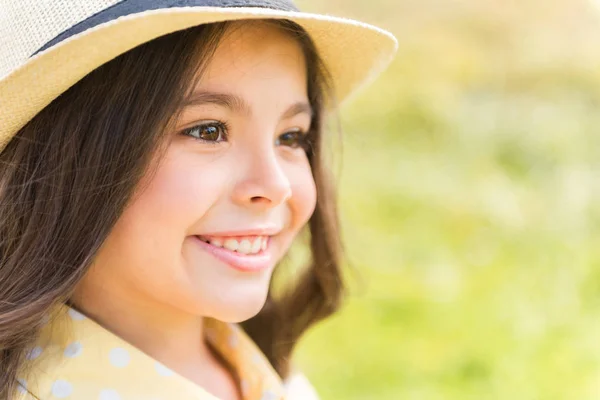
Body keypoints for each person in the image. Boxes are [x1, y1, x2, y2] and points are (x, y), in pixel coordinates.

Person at [0, 1, 397, 399]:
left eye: (290, 137)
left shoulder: (251, 363)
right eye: (208, 131)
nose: (275, 186)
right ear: (69, 157)